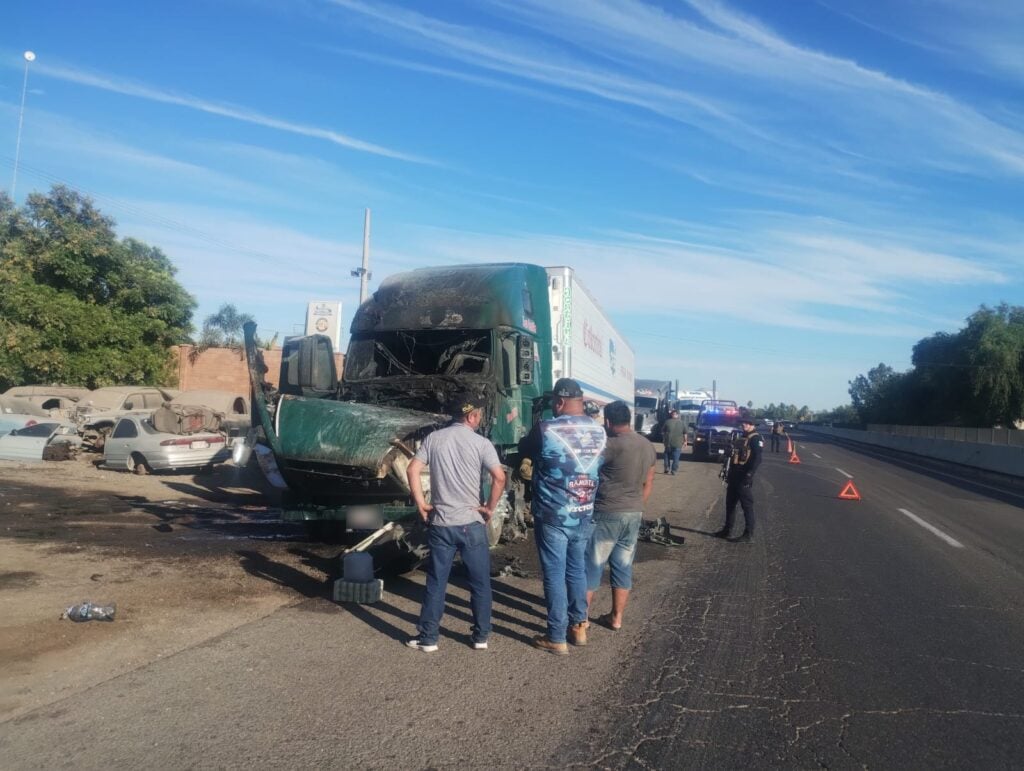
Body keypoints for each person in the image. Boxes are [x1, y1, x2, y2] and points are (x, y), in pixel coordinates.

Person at [405, 393, 506, 652]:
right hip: (471, 523)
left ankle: (429, 639)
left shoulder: (434, 439)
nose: (480, 418)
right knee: (480, 583)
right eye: (479, 414)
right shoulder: (482, 443)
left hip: (441, 523)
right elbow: (499, 477)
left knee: (437, 582)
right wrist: (489, 508)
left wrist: (421, 503)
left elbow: (412, 469)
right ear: (471, 417)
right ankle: (480, 637)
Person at [519, 378, 607, 655]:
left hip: (553, 514)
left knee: (554, 574)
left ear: (558, 401)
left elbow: (524, 451)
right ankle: (579, 627)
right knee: (577, 569)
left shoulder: (546, 429)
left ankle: (556, 636)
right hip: (584, 512)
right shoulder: (600, 431)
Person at [586, 400, 656, 632]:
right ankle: (616, 618)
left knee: (593, 565)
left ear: (607, 421)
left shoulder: (610, 445)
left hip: (607, 512)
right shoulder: (647, 445)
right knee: (623, 565)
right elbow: (649, 481)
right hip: (633, 512)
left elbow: (586, 469)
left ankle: (581, 620)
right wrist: (636, 505)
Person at [714, 416, 763, 542]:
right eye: (743, 423)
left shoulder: (756, 438)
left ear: (753, 425)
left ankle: (748, 534)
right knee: (730, 504)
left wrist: (749, 474)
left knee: (747, 506)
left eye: (747, 423)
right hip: (734, 475)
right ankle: (727, 530)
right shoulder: (742, 437)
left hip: (743, 476)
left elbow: (757, 458)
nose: (744, 425)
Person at [661, 409, 686, 474]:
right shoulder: (682, 423)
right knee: (676, 458)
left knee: (666, 455)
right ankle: (674, 470)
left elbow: (663, 432)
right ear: (678, 415)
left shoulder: (667, 422)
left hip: (668, 443)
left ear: (671, 415)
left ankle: (667, 467)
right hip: (678, 444)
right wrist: (685, 441)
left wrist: (664, 439)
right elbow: (685, 433)